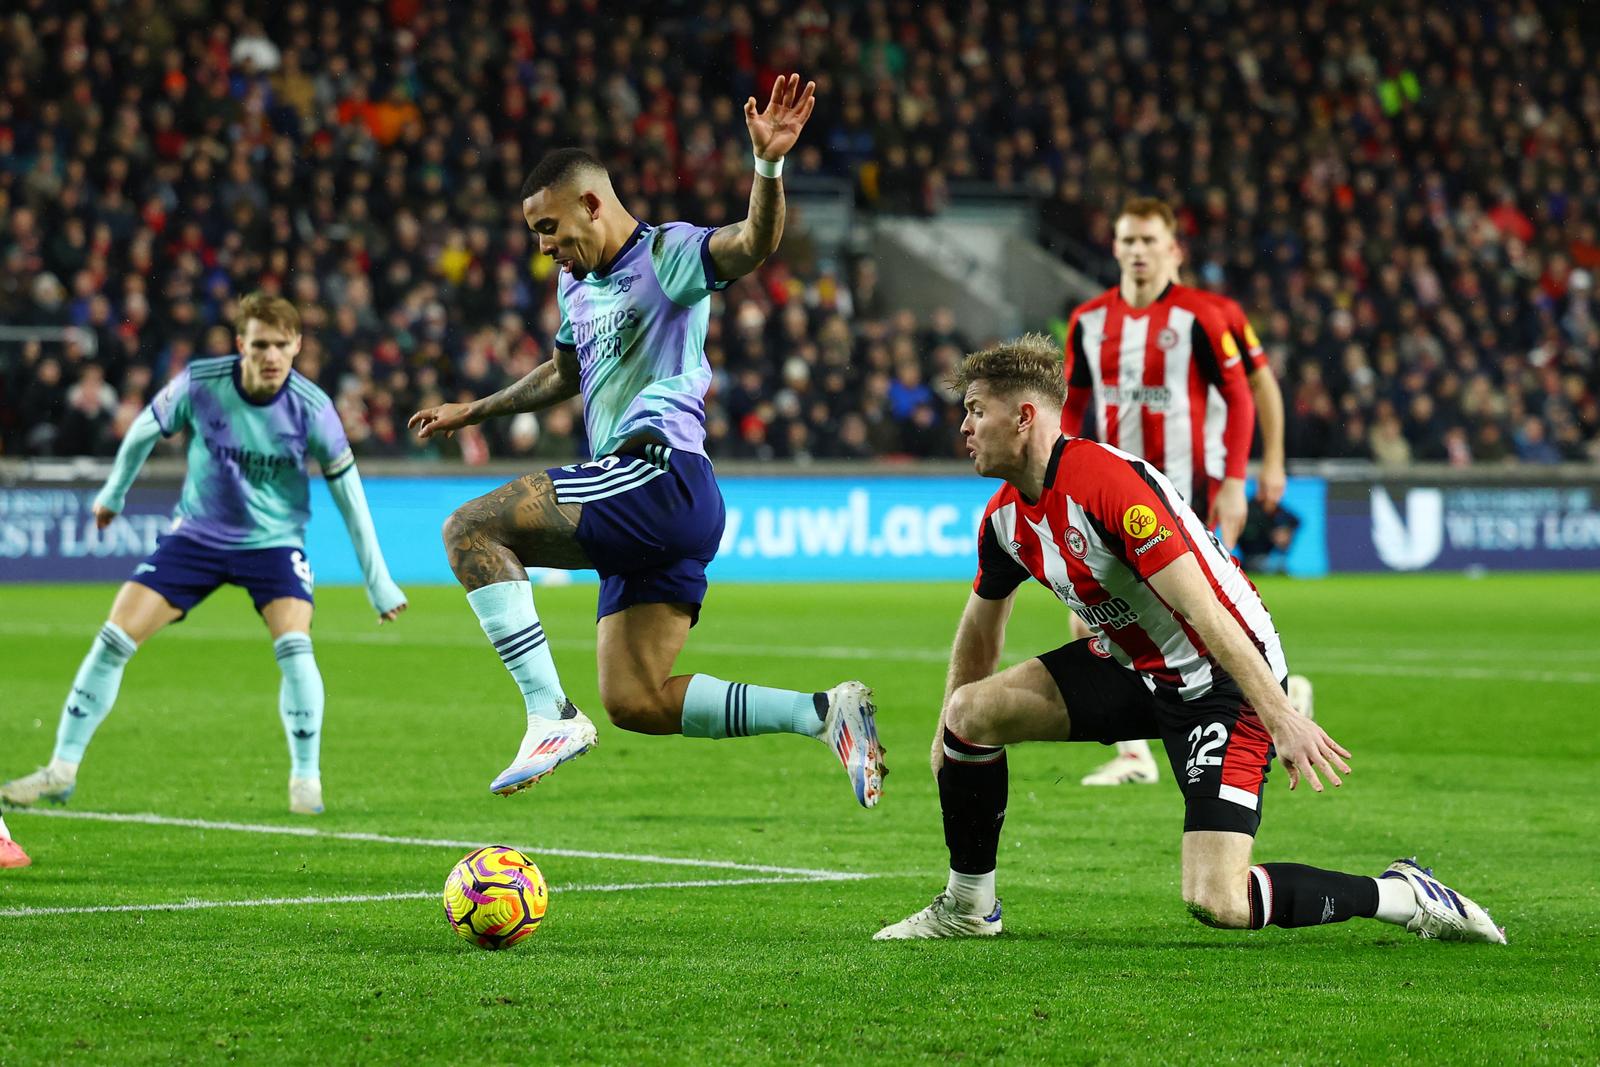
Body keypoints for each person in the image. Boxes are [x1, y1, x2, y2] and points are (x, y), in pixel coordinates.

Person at [874, 335, 1503, 945]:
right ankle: (968, 907)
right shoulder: (1004, 519)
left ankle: (1402, 893)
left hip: (1223, 681)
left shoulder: (1109, 485)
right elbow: (981, 630)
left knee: (1218, 900)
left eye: (976, 411)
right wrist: (947, 738)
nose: (964, 427)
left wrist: (1279, 714)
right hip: (1135, 666)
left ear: (1024, 417)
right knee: (970, 713)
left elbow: (1204, 609)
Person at [406, 75, 885, 807]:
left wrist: (768, 165)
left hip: (657, 473)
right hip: (657, 505)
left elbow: (753, 243)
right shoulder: (576, 287)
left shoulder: (669, 255)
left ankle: (550, 715)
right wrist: (473, 411)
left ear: (592, 204)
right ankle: (823, 713)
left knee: (470, 528)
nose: (544, 248)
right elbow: (565, 372)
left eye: (548, 228)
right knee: (635, 699)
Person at [0, 293, 406, 817]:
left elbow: (349, 495)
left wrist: (378, 581)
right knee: (113, 638)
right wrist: (114, 493)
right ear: (241, 344)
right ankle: (61, 769)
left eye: (282, 345)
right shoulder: (203, 382)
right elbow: (146, 426)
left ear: (297, 346)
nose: (271, 356)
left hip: (274, 542)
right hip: (195, 537)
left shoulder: (313, 409)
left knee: (296, 645)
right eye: (260, 344)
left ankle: (306, 781)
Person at [1063, 198, 1308, 787]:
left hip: (1185, 495)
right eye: (1128, 241)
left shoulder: (1207, 316)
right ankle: (1134, 754)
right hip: (1111, 497)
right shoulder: (1088, 322)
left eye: (1149, 241)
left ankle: (1278, 697)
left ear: (1174, 249)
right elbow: (1070, 407)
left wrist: (1242, 478)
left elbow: (1249, 394)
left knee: (1204, 616)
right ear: (1114, 247)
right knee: (1090, 613)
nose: (1138, 252)